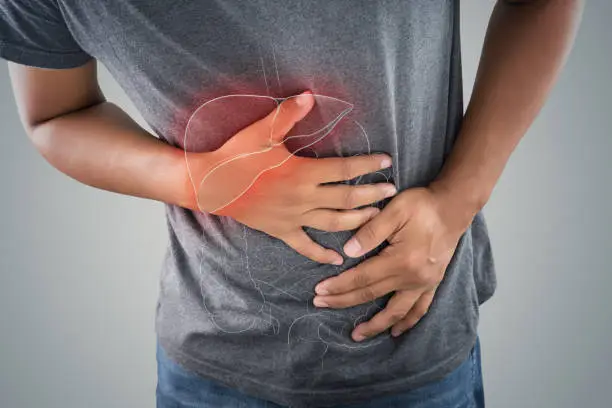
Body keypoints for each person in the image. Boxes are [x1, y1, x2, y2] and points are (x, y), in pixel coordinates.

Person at [0, 1, 583, 407]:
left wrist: (459, 198)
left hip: (412, 357)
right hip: (209, 364)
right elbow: (55, 115)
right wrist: (194, 179)